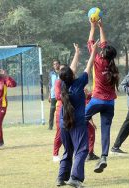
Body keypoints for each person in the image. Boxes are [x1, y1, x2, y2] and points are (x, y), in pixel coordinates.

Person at [56, 41, 97, 187]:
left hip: (63, 122)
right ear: (72, 75)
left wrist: (77, 53)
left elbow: (70, 70)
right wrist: (93, 50)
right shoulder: (79, 83)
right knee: (82, 149)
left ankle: (61, 178)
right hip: (77, 122)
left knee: (68, 150)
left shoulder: (62, 84)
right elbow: (89, 65)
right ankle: (75, 177)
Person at [85, 18, 120, 173]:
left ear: (103, 54)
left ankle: (80, 147)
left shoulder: (98, 61)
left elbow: (90, 42)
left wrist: (93, 27)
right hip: (110, 103)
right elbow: (104, 45)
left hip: (97, 100)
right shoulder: (112, 66)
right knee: (105, 129)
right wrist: (102, 27)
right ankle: (104, 156)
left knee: (80, 117)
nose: (100, 49)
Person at [52, 72, 99, 163]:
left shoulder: (75, 83)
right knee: (61, 134)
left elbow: (87, 98)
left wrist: (84, 93)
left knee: (90, 130)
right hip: (63, 112)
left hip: (77, 114)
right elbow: (58, 96)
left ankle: (90, 153)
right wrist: (70, 95)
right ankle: (55, 154)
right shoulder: (59, 82)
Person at [48, 60, 60, 130]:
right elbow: (50, 85)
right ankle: (50, 126)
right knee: (52, 110)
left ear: (59, 64)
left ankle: (63, 125)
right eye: (54, 64)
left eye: (56, 64)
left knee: (62, 110)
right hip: (53, 95)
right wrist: (49, 95)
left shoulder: (62, 72)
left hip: (61, 95)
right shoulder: (51, 74)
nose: (55, 65)